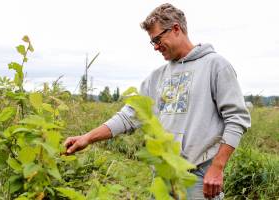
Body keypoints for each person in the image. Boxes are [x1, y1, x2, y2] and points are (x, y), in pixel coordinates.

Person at [64, 3, 251, 199]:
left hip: (197, 179)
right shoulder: (157, 77)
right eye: (152, 42)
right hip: (162, 178)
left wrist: (217, 167)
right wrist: (87, 137)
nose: (155, 47)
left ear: (176, 29)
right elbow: (128, 117)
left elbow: (236, 119)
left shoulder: (216, 66)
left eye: (157, 39)